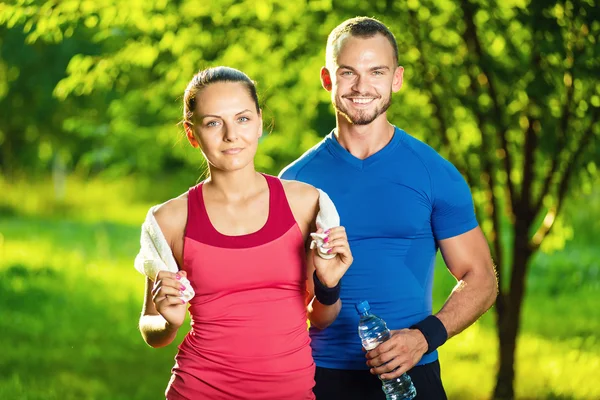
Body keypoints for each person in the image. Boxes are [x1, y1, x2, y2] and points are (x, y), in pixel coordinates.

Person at [279, 17, 498, 400]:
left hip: (412, 373)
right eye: (348, 73)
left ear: (396, 79)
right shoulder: (294, 181)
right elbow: (278, 292)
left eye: (376, 72)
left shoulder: (434, 173)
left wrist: (422, 338)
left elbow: (481, 278)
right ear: (327, 79)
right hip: (316, 377)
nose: (362, 87)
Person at [136, 66, 353, 400]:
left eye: (242, 119)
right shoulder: (169, 219)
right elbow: (153, 331)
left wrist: (328, 284)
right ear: (192, 133)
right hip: (198, 391)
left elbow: (322, 319)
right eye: (212, 123)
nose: (230, 135)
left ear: (260, 121)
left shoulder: (306, 204)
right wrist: (169, 321)